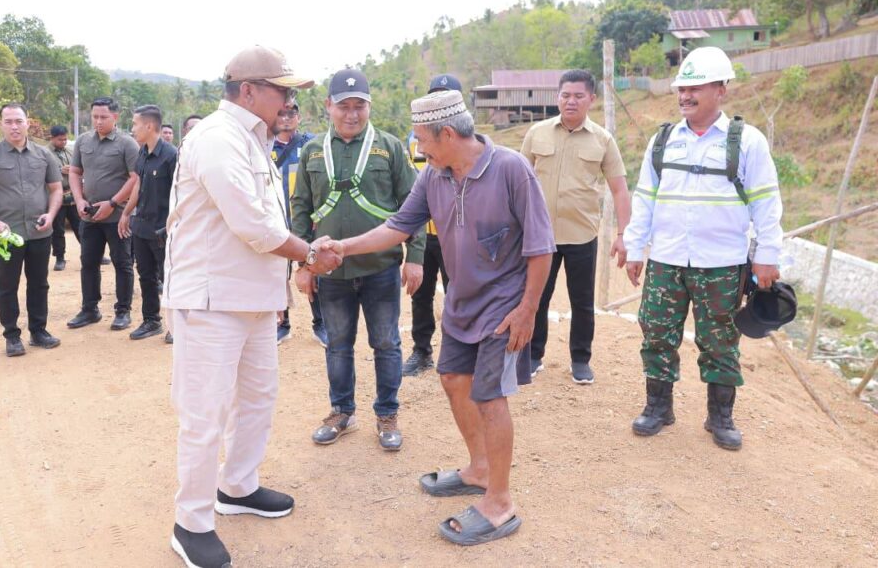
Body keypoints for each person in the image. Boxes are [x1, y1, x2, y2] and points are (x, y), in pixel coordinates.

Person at [332, 89, 554, 545]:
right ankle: (478, 469)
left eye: (423, 141)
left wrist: (527, 308)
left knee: (490, 397)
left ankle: (500, 501)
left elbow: (540, 246)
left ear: (447, 134)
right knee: (454, 379)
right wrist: (343, 246)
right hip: (462, 302)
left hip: (505, 304)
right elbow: (398, 226)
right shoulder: (433, 175)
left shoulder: (511, 169)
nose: (420, 150)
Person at [162, 46, 338, 568]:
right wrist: (308, 253)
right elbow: (253, 225)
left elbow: (264, 219)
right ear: (248, 90)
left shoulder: (251, 138)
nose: (288, 99)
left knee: (259, 398)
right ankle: (191, 521)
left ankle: (237, 486)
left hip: (252, 298)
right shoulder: (217, 138)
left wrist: (278, 290)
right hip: (211, 299)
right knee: (204, 413)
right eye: (281, 89)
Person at [623, 46, 783, 451]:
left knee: (720, 340)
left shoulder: (747, 141)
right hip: (667, 260)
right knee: (656, 333)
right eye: (681, 89)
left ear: (721, 90)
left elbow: (766, 201)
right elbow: (644, 197)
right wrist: (635, 247)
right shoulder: (663, 141)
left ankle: (720, 416)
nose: (685, 96)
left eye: (695, 88)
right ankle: (658, 407)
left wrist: (768, 254)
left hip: (722, 264)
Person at [291, 68, 424, 452]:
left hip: (380, 266)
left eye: (359, 106)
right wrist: (303, 265)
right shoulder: (313, 150)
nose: (352, 114)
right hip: (329, 271)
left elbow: (412, 206)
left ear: (369, 107)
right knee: (338, 345)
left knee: (386, 343)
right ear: (329, 106)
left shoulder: (390, 147)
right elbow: (301, 208)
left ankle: (387, 414)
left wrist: (414, 258)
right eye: (344, 106)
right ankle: (341, 412)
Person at [519, 69, 631, 383]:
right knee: (536, 297)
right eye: (565, 95)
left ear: (591, 100)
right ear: (557, 97)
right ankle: (531, 355)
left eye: (578, 96)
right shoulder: (536, 133)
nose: (571, 101)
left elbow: (619, 189)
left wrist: (623, 234)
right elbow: (517, 181)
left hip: (582, 236)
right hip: (540, 237)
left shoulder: (603, 140)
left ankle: (580, 360)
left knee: (582, 302)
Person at [0, 103, 64, 357]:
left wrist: (51, 213)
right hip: (7, 235)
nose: (14, 126)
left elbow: (56, 189)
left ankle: (38, 331)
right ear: (1, 124)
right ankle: (12, 335)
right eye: (8, 121)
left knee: (39, 284)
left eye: (18, 121)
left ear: (28, 123)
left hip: (39, 231)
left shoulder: (44, 156)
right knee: (7, 285)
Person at [66, 97, 140, 332]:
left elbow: (135, 178)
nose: (98, 121)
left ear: (115, 117)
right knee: (88, 262)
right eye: (95, 116)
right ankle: (90, 309)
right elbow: (75, 172)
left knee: (122, 263)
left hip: (118, 216)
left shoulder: (127, 144)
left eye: (103, 117)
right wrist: (78, 200)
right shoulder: (83, 141)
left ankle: (123, 311)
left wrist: (113, 202)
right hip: (89, 216)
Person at [403, 73, 459, 377]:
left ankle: (456, 352)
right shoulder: (414, 143)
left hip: (456, 235)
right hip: (424, 235)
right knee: (420, 294)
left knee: (457, 294)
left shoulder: (465, 143)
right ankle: (421, 351)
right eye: (434, 96)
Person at [120, 105, 177, 342]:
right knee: (146, 276)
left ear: (149, 126)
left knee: (172, 279)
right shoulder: (143, 152)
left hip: (163, 230)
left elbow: (181, 193)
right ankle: (151, 320)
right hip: (142, 227)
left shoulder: (172, 155)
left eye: (135, 124)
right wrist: (126, 213)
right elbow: (138, 184)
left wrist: (173, 226)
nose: (132, 129)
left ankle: (176, 326)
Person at [273, 99, 327, 346]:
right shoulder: (265, 146)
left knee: (312, 268)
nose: (286, 118)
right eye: (281, 113)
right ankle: (282, 325)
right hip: (275, 221)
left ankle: (321, 324)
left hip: (305, 222)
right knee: (276, 274)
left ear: (299, 116)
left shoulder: (311, 145)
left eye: (291, 113)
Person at [47, 125, 81, 271]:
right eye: (60, 140)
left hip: (73, 195)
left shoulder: (70, 151)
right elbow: (42, 172)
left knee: (81, 227)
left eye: (66, 139)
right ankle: (60, 258)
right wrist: (59, 171)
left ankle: (93, 254)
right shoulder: (45, 153)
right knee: (58, 229)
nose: (64, 142)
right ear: (52, 138)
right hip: (56, 196)